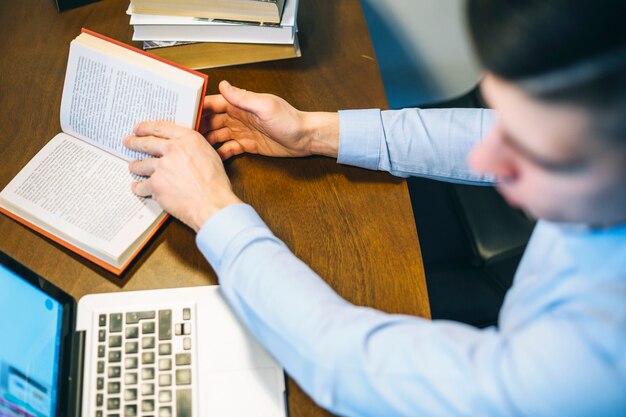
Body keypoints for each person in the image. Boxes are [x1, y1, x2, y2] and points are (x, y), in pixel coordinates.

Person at [123, 1, 626, 416]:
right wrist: (312, 134)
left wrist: (213, 210)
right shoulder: (592, 137)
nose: (487, 159)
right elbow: (486, 133)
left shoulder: (596, 358)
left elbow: (349, 364)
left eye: (537, 155)